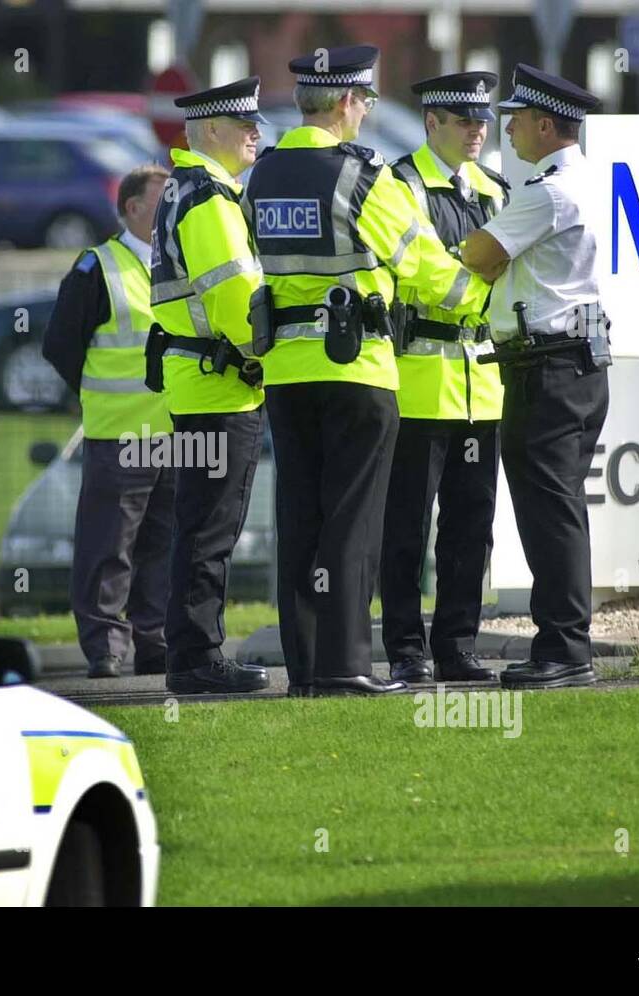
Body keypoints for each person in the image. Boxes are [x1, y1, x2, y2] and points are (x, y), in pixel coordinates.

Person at [243, 46, 490, 697]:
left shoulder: (262, 177)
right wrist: (487, 289)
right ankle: (347, 664)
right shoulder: (363, 178)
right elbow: (430, 271)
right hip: (358, 373)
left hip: (287, 376)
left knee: (299, 518)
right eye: (367, 101)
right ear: (349, 103)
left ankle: (305, 668)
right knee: (353, 521)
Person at [460, 63, 610, 690]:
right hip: (575, 362)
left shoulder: (547, 191)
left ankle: (565, 652)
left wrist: (477, 257)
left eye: (517, 119)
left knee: (550, 513)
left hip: (546, 366)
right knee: (560, 508)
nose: (509, 129)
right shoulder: (580, 181)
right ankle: (562, 644)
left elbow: (478, 255)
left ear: (546, 124)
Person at [379, 72, 509, 686]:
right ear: (432, 123)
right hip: (418, 384)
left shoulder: (495, 190)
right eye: (464, 120)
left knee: (470, 527)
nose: (478, 129)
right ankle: (406, 650)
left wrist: (467, 273)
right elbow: (423, 274)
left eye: (481, 120)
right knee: (406, 526)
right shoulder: (401, 186)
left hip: (481, 386)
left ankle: (456, 646)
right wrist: (474, 275)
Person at [148, 76, 271, 694]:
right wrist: (270, 355)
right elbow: (235, 303)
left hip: (200, 384)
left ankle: (191, 657)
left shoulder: (189, 189)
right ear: (212, 132)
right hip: (220, 385)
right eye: (245, 124)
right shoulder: (210, 202)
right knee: (210, 531)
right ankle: (198, 661)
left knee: (201, 525)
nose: (257, 132)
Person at [42, 164, 176, 679]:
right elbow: (60, 345)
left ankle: (155, 642)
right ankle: (105, 648)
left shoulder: (181, 263)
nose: (169, 210)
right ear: (132, 208)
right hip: (119, 435)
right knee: (109, 546)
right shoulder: (97, 267)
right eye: (160, 200)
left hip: (173, 436)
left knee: (162, 546)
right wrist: (96, 395)